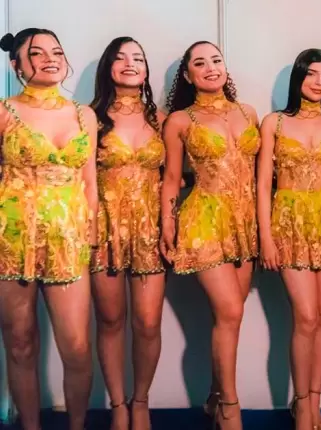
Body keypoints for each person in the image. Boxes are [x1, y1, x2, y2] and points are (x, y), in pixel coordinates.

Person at [257, 48, 321, 430]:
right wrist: (266, 237)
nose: (319, 82)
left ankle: (315, 404)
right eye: (312, 74)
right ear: (298, 77)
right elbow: (262, 184)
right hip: (289, 224)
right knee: (304, 316)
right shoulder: (274, 122)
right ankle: (301, 405)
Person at [0, 28, 99, 430]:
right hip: (12, 238)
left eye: (56, 51)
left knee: (76, 346)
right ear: (16, 65)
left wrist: (92, 234)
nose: (49, 59)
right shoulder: (4, 111)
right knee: (20, 342)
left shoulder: (83, 114)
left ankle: (77, 425)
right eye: (36, 53)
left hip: (68, 239)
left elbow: (90, 182)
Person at [160, 40, 260, 430]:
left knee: (231, 316)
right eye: (200, 63)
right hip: (204, 219)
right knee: (230, 311)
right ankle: (231, 409)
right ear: (188, 76)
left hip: (244, 222)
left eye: (216, 60)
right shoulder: (180, 120)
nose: (210, 68)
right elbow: (172, 178)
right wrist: (167, 223)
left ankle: (215, 397)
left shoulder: (248, 112)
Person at [90, 36, 167, 430]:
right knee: (110, 320)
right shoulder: (90, 118)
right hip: (104, 229)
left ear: (147, 69)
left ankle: (141, 401)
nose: (130, 63)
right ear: (108, 67)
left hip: (150, 230)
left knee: (148, 322)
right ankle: (118, 404)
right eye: (120, 57)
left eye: (138, 57)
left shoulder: (162, 119)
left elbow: (177, 177)